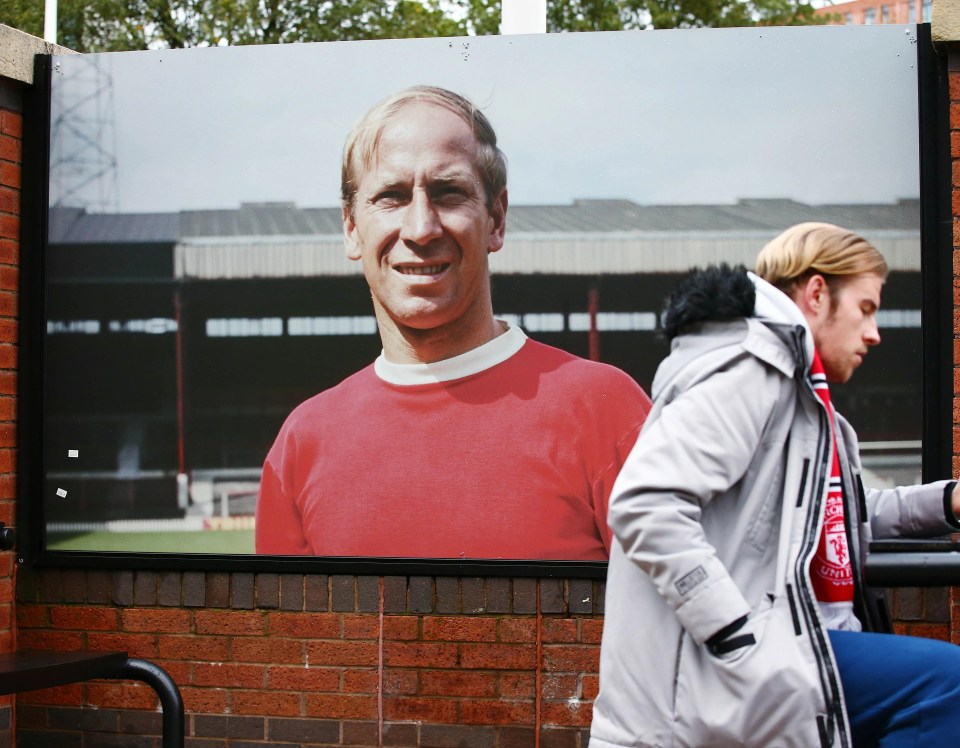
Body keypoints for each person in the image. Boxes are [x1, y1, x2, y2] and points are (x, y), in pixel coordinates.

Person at [590, 222, 960, 748]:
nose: (876, 333)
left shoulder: (806, 401)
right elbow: (644, 503)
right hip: (749, 656)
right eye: (866, 308)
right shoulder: (751, 370)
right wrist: (733, 634)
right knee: (946, 685)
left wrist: (948, 501)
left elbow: (841, 512)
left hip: (802, 641)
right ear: (816, 293)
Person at [255, 85, 651, 560]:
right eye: (391, 197)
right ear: (351, 228)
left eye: (448, 193)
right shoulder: (302, 442)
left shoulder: (605, 410)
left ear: (496, 219)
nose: (421, 228)